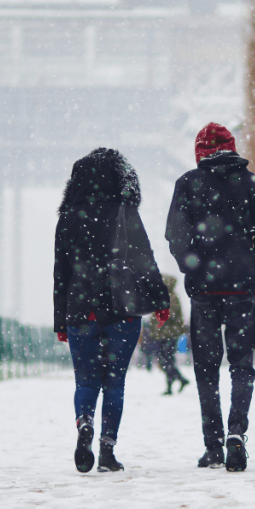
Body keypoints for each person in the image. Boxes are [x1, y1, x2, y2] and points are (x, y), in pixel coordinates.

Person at [165, 122, 255, 472]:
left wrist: (194, 267)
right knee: (242, 365)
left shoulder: (187, 183)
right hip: (241, 289)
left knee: (206, 369)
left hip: (204, 291)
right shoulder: (252, 183)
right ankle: (236, 431)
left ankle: (213, 445)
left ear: (199, 152)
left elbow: (176, 236)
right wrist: (252, 265)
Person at [54, 148, 170, 474]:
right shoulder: (124, 211)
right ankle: (107, 450)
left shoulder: (68, 217)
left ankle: (84, 423)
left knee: (86, 382)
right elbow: (144, 258)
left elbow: (61, 273)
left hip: (81, 309)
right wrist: (160, 300)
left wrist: (60, 320)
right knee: (115, 383)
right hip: (122, 307)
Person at [151, 274, 190, 395]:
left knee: (167, 360)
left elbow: (170, 315)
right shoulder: (162, 297)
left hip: (170, 334)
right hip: (162, 334)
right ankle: (179, 380)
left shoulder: (172, 297)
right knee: (165, 360)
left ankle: (172, 385)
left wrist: (158, 314)